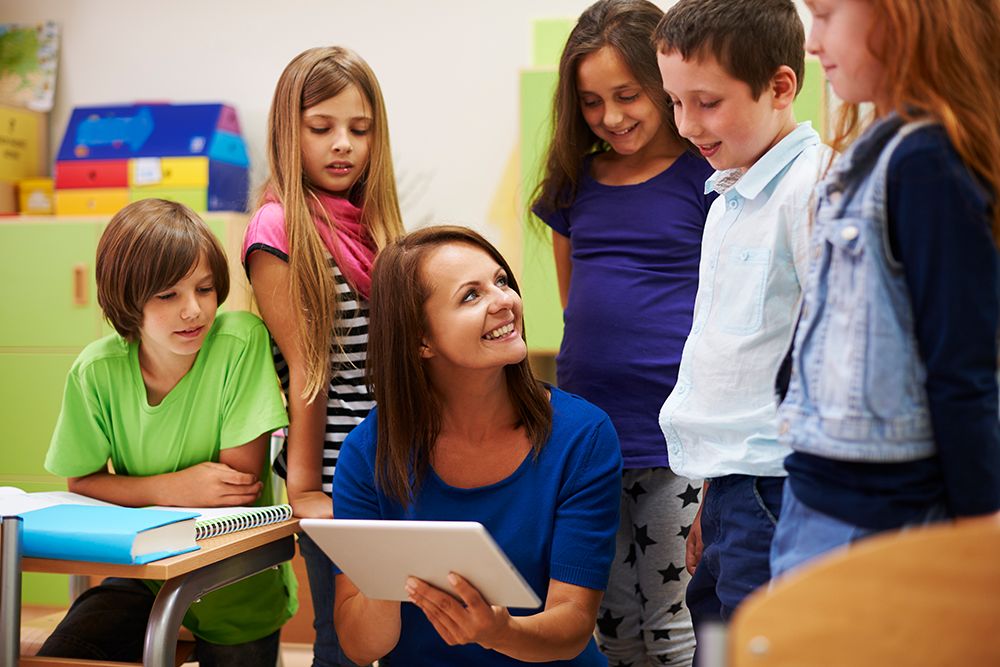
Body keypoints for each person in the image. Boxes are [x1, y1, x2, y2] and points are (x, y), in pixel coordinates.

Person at [769, 0, 1000, 577]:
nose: (812, 42)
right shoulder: (871, 156)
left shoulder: (927, 162)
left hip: (882, 514)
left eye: (825, 16)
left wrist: (979, 538)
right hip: (818, 486)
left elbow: (961, 368)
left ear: (904, 17)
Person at [330, 226, 622, 666]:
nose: (504, 301)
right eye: (471, 296)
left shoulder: (582, 435)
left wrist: (500, 632)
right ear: (420, 340)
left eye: (501, 281)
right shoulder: (366, 452)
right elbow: (359, 647)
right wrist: (385, 577)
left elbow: (573, 623)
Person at [530, 0, 715, 663]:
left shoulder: (706, 175)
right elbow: (574, 302)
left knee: (674, 610)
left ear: (663, 83)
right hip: (591, 433)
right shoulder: (574, 183)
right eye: (590, 102)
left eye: (626, 95)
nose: (610, 116)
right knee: (610, 610)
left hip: (677, 437)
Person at [39, 198, 295, 665]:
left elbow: (233, 487)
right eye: (167, 295)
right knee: (63, 653)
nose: (193, 311)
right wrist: (174, 486)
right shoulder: (95, 371)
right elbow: (81, 482)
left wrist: (132, 491)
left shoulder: (239, 341)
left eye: (205, 288)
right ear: (125, 298)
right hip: (145, 576)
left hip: (234, 582)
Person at [653, 0, 833, 636]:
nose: (686, 124)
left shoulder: (813, 188)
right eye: (675, 102)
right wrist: (709, 494)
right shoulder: (729, 196)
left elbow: (829, 353)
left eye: (706, 102)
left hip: (783, 487)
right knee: (717, 639)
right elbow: (733, 371)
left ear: (780, 87)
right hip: (731, 483)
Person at [242, 46, 404, 667]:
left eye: (359, 130)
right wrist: (305, 489)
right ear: (290, 130)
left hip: (394, 460)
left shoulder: (373, 224)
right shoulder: (278, 230)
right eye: (322, 128)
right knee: (343, 644)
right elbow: (307, 370)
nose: (343, 145)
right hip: (336, 473)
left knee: (402, 635)